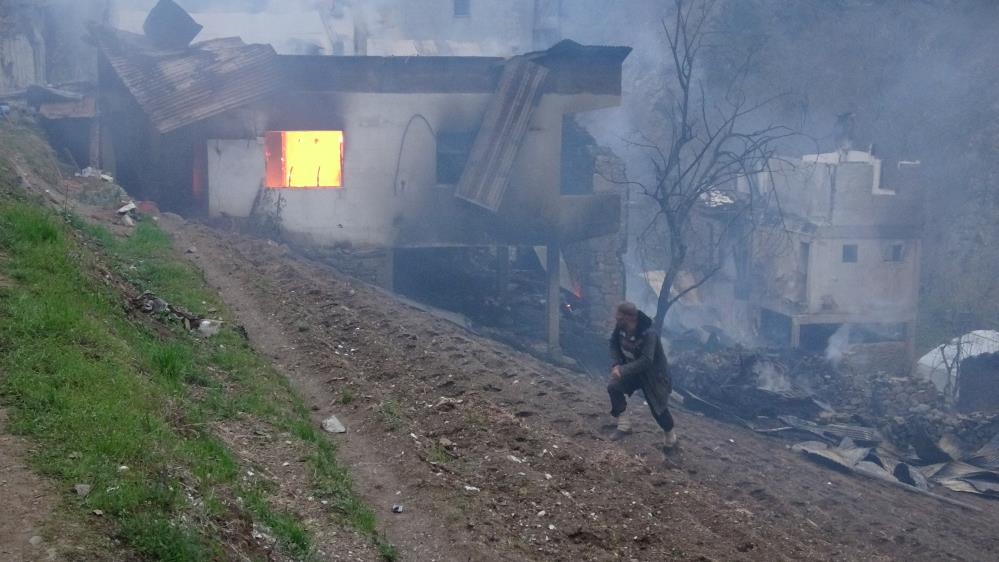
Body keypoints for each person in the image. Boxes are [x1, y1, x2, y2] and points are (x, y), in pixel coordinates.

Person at [607, 302, 677, 452]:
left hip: (654, 376)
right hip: (633, 371)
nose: (617, 322)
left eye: (620, 319)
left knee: (658, 409)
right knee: (614, 387)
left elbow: (647, 361)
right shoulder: (621, 327)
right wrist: (616, 363)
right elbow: (613, 343)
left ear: (631, 317)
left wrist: (623, 370)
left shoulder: (649, 333)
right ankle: (624, 425)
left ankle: (671, 440)